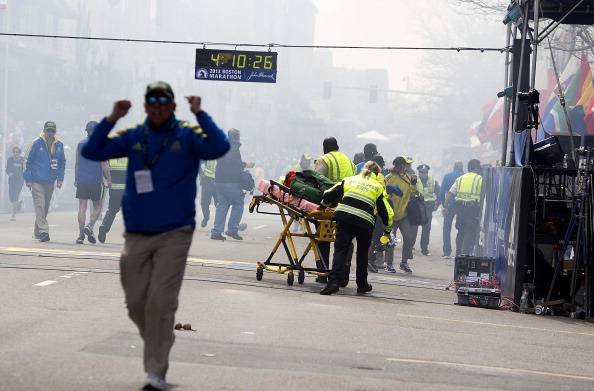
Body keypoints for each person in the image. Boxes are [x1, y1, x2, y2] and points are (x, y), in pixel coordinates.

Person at [81, 81, 230, 391]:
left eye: (164, 102)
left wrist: (200, 113)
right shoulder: (134, 136)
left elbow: (219, 147)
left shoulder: (188, 135)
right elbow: (93, 150)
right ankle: (161, 335)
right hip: (137, 232)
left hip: (175, 232)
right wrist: (112, 118)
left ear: (173, 106)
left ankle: (155, 372)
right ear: (146, 105)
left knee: (161, 302)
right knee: (136, 303)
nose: (159, 107)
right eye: (153, 101)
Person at [320, 161, 393, 295]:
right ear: (377, 174)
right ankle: (362, 285)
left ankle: (333, 283)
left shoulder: (350, 180)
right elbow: (386, 211)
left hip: (345, 218)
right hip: (365, 222)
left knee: (341, 250)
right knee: (362, 253)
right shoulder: (377, 187)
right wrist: (387, 230)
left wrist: (323, 205)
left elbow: (329, 193)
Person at [314, 137, 357, 281]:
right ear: (338, 146)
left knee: (323, 238)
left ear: (324, 148)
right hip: (348, 205)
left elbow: (318, 179)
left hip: (330, 205)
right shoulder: (349, 161)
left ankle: (323, 274)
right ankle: (342, 272)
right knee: (344, 240)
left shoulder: (325, 159)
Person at [23, 121, 66, 242]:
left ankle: (37, 232)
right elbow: (27, 161)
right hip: (36, 181)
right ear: (44, 130)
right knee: (40, 205)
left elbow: (62, 162)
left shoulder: (59, 145)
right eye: (48, 131)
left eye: (52, 131)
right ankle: (44, 231)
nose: (50, 133)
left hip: (50, 181)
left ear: (55, 132)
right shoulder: (36, 143)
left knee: (45, 207)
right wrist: (28, 179)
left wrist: (60, 178)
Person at [211, 128, 252, 241]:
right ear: (235, 136)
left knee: (222, 205)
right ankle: (232, 229)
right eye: (238, 135)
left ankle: (216, 232)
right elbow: (233, 164)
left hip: (219, 181)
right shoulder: (233, 147)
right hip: (230, 182)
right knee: (238, 204)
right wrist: (245, 165)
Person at [75, 121, 110, 244]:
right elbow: (104, 163)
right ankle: (89, 226)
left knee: (82, 207)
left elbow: (77, 163)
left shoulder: (80, 144)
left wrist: (76, 179)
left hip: (82, 180)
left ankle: (80, 235)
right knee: (98, 206)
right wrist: (109, 179)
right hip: (96, 180)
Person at [384, 156, 419, 273]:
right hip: (391, 215)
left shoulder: (409, 178)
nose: (400, 167)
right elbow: (383, 192)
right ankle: (389, 264)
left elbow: (414, 192)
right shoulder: (388, 177)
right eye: (397, 165)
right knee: (391, 240)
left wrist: (414, 184)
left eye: (402, 165)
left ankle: (404, 262)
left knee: (408, 237)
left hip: (403, 214)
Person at [445, 159, 483, 257]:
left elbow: (449, 193)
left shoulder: (461, 178)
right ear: (477, 168)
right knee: (469, 230)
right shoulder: (479, 179)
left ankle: (458, 253)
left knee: (461, 230)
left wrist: (445, 206)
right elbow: (484, 195)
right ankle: (465, 254)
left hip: (460, 208)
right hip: (472, 209)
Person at [98, 157, 128, 243]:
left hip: (114, 187)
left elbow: (104, 167)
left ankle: (104, 226)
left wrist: (108, 178)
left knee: (112, 210)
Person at [440, 161, 464, 258]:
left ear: (454, 167)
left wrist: (444, 205)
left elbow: (442, 192)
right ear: (462, 167)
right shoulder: (464, 176)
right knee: (462, 228)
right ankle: (460, 252)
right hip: (461, 206)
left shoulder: (447, 176)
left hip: (449, 205)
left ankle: (447, 252)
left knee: (446, 228)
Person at [416, 164, 440, 256]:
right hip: (417, 207)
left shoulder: (433, 181)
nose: (424, 174)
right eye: (422, 172)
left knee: (426, 228)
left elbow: (439, 192)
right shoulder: (415, 180)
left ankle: (424, 248)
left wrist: (437, 203)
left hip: (428, 208)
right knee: (413, 228)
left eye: (425, 172)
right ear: (419, 172)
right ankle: (410, 246)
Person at [6, 146, 25, 221]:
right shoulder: (10, 159)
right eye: (14, 152)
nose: (15, 153)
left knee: (15, 196)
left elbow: (25, 169)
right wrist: (9, 173)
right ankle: (19, 204)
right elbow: (7, 169)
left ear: (19, 152)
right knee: (11, 197)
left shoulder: (22, 160)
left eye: (17, 152)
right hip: (11, 180)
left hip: (19, 180)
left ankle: (13, 215)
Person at [199, 159, 217, 227]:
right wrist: (202, 174)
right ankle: (206, 218)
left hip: (218, 181)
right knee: (204, 203)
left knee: (219, 204)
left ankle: (218, 223)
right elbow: (201, 164)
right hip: (207, 181)